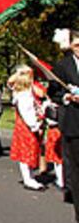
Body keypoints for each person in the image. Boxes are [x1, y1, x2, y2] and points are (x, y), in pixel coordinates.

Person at [49, 31, 79, 220]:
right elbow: (53, 92)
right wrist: (67, 97)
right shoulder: (62, 66)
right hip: (74, 124)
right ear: (71, 46)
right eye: (77, 45)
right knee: (76, 169)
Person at [8, 66, 44, 190]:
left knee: (30, 150)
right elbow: (27, 112)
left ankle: (29, 176)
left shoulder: (24, 92)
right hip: (27, 126)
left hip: (25, 125)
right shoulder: (23, 95)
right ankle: (27, 178)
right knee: (26, 151)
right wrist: (35, 126)